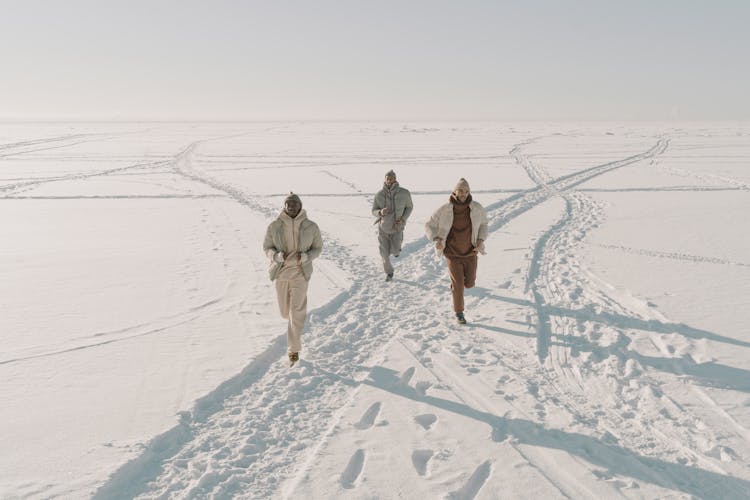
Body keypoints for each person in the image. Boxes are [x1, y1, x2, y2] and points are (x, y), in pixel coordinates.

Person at [263, 193, 323, 365]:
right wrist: (276, 256)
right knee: (285, 312)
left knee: (296, 312)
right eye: (289, 204)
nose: (292, 206)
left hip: (300, 274)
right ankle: (290, 323)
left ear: (300, 206)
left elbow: (317, 248)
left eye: (295, 204)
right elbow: (267, 247)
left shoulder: (311, 226)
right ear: (284, 206)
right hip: (281, 273)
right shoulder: (274, 226)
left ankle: (293, 350)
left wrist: (305, 257)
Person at [425, 178, 488, 324]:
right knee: (458, 285)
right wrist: (436, 239)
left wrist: (480, 240)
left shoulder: (477, 208)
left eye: (466, 191)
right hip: (452, 253)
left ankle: (457, 285)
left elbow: (484, 224)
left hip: (471, 251)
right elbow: (429, 224)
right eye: (460, 191)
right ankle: (459, 312)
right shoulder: (445, 209)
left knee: (470, 283)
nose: (463, 194)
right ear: (455, 191)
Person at [372, 169, 413, 281]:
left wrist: (403, 218)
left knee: (395, 251)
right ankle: (389, 273)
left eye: (392, 178)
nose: (389, 180)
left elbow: (409, 207)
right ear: (385, 180)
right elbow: (374, 210)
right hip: (383, 229)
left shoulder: (404, 193)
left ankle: (396, 251)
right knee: (384, 254)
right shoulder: (379, 195)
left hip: (397, 228)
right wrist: (380, 212)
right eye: (388, 178)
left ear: (395, 179)